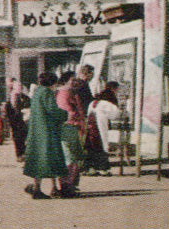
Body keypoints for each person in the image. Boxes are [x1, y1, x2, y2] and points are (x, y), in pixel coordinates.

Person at [23, 72, 67, 199]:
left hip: (37, 129)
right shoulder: (47, 93)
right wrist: (65, 114)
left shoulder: (37, 92)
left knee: (40, 160)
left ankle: (40, 188)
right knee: (51, 158)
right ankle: (48, 188)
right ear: (53, 83)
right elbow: (52, 110)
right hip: (47, 130)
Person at [58, 64, 94, 196]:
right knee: (69, 157)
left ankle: (71, 184)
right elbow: (66, 112)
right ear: (65, 81)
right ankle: (67, 186)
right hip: (68, 128)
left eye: (75, 80)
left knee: (77, 157)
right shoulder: (63, 93)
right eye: (72, 80)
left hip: (76, 127)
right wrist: (75, 116)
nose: (74, 82)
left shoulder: (72, 93)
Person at [83, 81, 121, 176]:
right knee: (101, 146)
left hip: (90, 127)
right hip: (100, 127)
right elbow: (115, 115)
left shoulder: (94, 102)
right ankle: (103, 169)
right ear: (114, 89)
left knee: (90, 146)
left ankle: (90, 168)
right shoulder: (107, 103)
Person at [4, 77, 29, 162]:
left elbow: (15, 107)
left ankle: (21, 154)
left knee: (19, 137)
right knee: (20, 137)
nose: (7, 85)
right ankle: (21, 154)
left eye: (8, 83)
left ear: (12, 82)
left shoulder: (16, 93)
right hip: (17, 119)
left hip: (18, 119)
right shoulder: (16, 92)